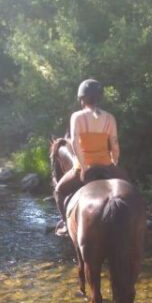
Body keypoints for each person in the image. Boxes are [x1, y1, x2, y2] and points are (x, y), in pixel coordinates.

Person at [53, 79, 122, 235]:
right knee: (130, 186)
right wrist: (114, 164)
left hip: (84, 167)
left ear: (81, 98)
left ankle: (65, 224)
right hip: (106, 165)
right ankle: (143, 217)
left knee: (58, 191)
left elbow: (76, 144)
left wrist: (83, 168)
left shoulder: (76, 117)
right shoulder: (109, 118)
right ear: (99, 98)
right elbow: (115, 144)